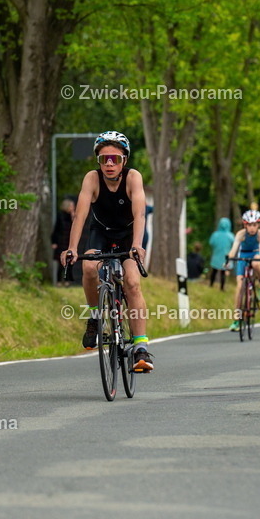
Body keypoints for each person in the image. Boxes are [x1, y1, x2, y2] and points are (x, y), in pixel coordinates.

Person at [60, 131, 153, 372]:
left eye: (115, 159)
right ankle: (94, 318)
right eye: (104, 160)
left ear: (125, 160)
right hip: (101, 232)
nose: (109, 164)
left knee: (132, 282)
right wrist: (71, 248)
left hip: (128, 235)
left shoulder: (133, 178)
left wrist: (137, 246)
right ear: (98, 161)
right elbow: (80, 215)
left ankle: (141, 347)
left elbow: (139, 214)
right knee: (89, 267)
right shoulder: (91, 179)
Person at [225, 208, 260, 332]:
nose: (252, 228)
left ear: (258, 225)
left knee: (255, 263)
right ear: (245, 225)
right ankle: (236, 319)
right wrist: (229, 259)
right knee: (239, 288)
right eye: (249, 225)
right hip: (243, 255)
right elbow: (234, 250)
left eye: (254, 225)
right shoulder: (240, 234)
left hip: (256, 254)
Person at [51, 197, 76, 286]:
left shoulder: (72, 216)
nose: (73, 207)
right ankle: (58, 281)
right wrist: (54, 242)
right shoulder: (60, 215)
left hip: (69, 241)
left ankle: (67, 281)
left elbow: (76, 227)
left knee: (70, 262)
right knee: (61, 262)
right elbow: (56, 229)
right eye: (71, 206)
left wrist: (73, 216)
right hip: (61, 241)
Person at [208, 217, 234, 290]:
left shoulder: (215, 235)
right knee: (223, 272)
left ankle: (211, 284)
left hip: (216, 255)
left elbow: (211, 243)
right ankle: (222, 287)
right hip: (226, 256)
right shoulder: (230, 236)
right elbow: (234, 244)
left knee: (214, 270)